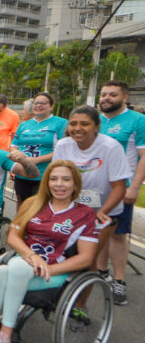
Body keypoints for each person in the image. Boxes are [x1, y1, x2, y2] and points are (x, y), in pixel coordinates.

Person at [0, 161, 98, 343]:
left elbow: (86, 258)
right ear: (46, 182)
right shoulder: (34, 203)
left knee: (5, 272)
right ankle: (0, 332)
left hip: (53, 273)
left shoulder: (84, 215)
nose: (59, 184)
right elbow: (12, 236)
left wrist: (48, 267)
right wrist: (32, 257)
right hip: (23, 263)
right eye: (54, 179)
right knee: (12, 269)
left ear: (75, 184)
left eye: (66, 179)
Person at [52, 105, 130, 303]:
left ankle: (79, 305)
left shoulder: (111, 147)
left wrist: (101, 213)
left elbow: (120, 187)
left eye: (85, 124)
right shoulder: (63, 145)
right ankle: (57, 292)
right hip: (72, 208)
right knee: (62, 252)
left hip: (103, 210)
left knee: (88, 258)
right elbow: (55, 179)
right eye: (73, 124)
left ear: (96, 126)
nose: (78, 128)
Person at [96, 80, 145, 305]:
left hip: (121, 187)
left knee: (117, 234)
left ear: (125, 97)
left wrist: (134, 186)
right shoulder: (95, 121)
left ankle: (119, 280)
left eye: (112, 95)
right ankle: (100, 271)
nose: (106, 98)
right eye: (103, 94)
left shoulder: (138, 120)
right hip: (95, 187)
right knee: (98, 230)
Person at [10, 92, 67, 206]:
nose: (38, 105)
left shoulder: (61, 123)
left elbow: (63, 150)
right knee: (22, 205)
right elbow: (13, 144)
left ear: (51, 106)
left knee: (40, 207)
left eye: (43, 103)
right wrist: (16, 154)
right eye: (36, 103)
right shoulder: (24, 125)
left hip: (44, 174)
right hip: (23, 173)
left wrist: (36, 160)